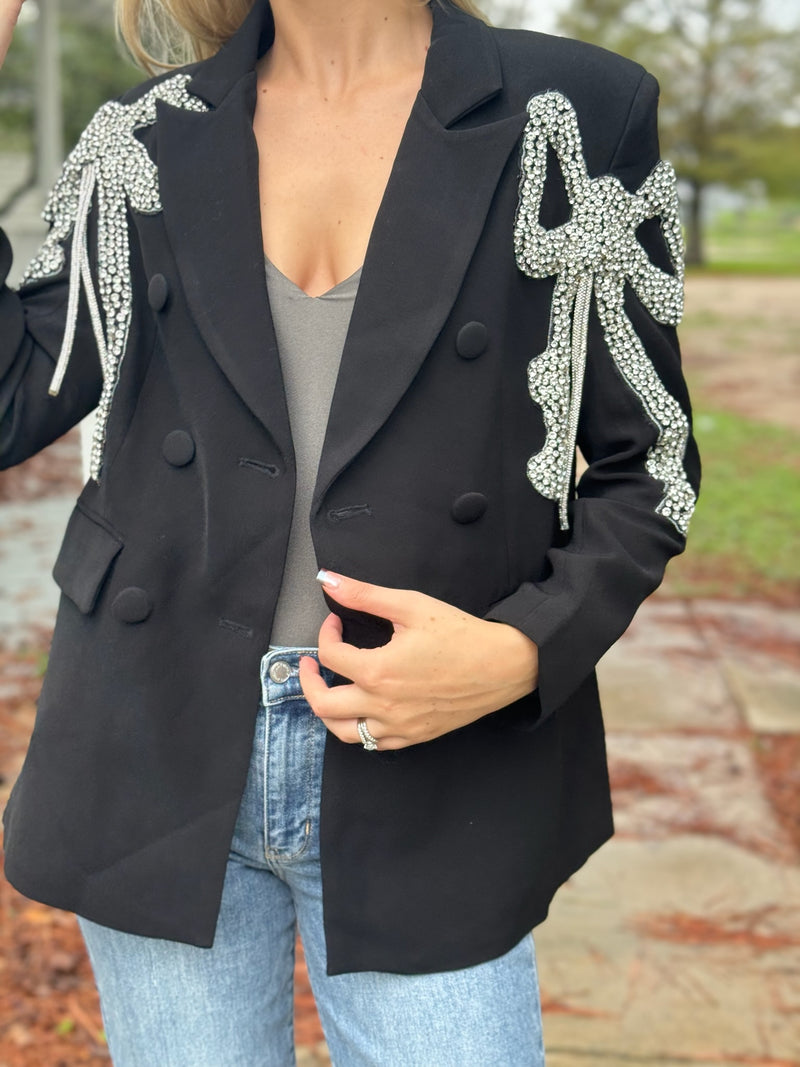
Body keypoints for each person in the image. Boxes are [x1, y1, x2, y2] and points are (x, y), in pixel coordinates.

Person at [0, 0, 700, 1062]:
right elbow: (14, 397)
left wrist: (518, 650)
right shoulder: (143, 132)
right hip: (158, 745)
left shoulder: (573, 114)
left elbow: (648, 462)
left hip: (432, 764)